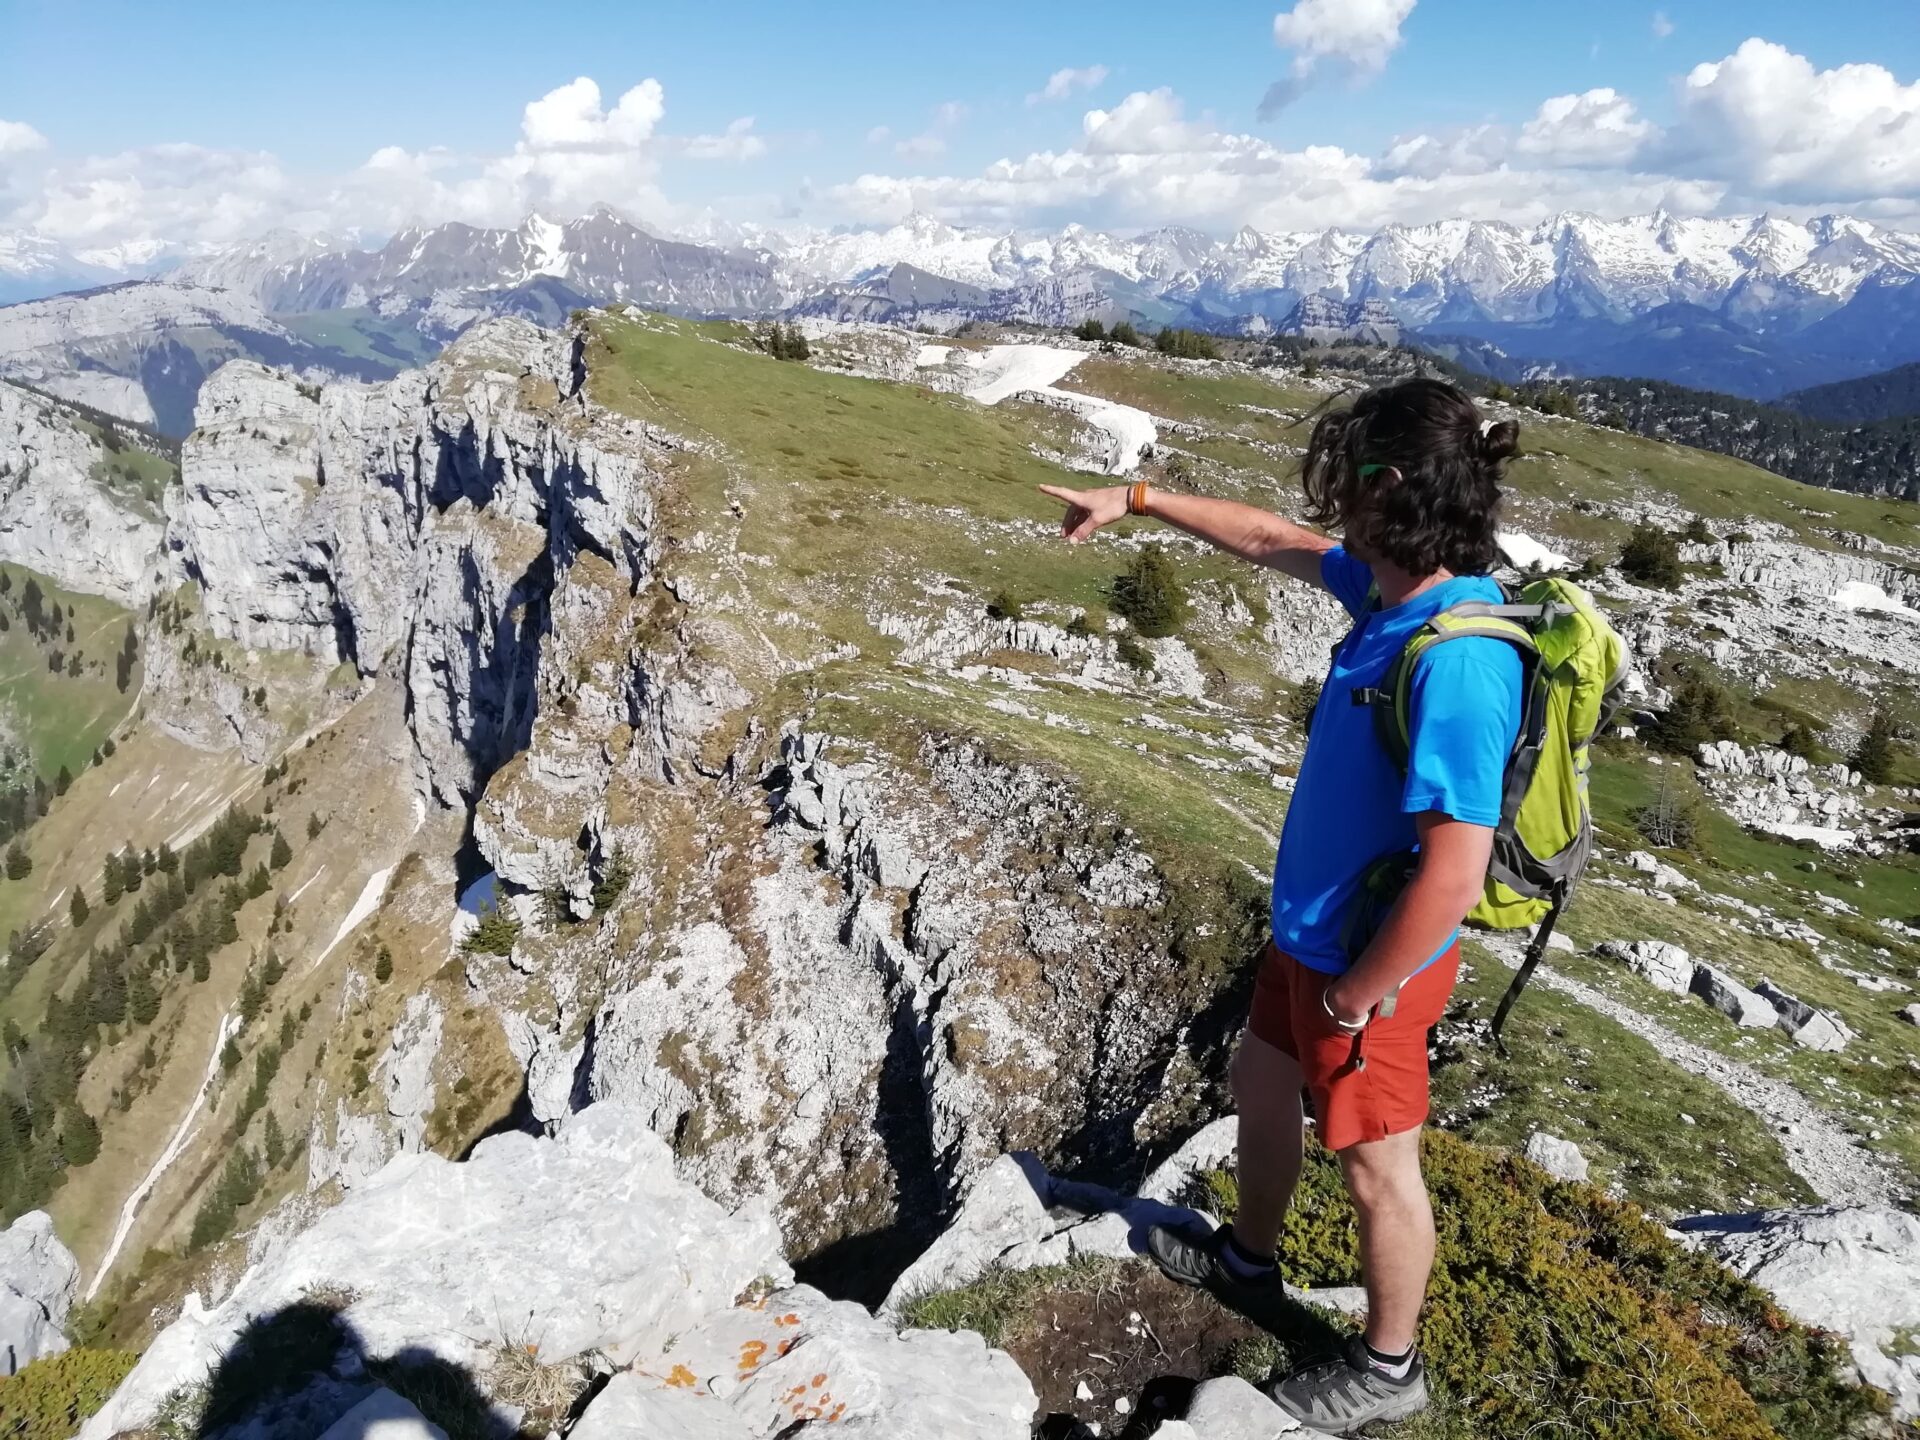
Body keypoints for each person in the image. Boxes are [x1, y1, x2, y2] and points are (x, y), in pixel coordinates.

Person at [1039, 377, 1522, 1434]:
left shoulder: (1462, 658)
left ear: (1386, 486)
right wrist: (1138, 500)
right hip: (1312, 932)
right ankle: (1248, 1263)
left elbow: (1455, 871)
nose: (1330, 500)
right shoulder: (1392, 594)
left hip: (1366, 964)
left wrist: (1358, 994)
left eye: (1347, 476)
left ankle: (1390, 1370)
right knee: (1261, 1078)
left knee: (1376, 1165)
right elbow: (1268, 540)